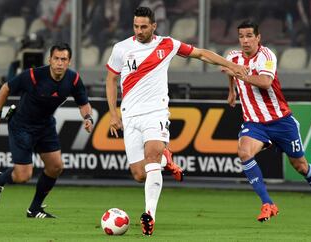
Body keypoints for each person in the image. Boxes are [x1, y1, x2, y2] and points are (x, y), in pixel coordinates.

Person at [105, 6, 248, 236]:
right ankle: (166, 159)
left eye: (144, 26)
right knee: (140, 174)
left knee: (152, 156)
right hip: (130, 115)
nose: (139, 30)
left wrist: (232, 66)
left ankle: (149, 215)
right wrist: (113, 114)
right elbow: (111, 79)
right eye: (136, 26)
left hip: (156, 113)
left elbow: (201, 53)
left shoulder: (167, 45)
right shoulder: (121, 49)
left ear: (154, 26)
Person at [223, 20, 311, 224]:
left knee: (300, 166)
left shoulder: (267, 56)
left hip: (281, 121)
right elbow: (230, 71)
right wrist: (231, 91)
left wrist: (239, 73)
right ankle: (268, 203)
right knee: (244, 152)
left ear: (258, 38)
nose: (245, 41)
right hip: (254, 123)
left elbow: (265, 82)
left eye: (249, 36)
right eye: (241, 36)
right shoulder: (233, 56)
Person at [0, 43, 94, 218]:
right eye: (56, 59)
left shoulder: (73, 79)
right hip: (22, 126)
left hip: (45, 126)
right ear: (49, 59)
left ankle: (34, 209)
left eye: (64, 59)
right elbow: (5, 88)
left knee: (56, 167)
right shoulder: (33, 76)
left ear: (69, 62)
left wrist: (88, 118)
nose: (60, 63)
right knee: (23, 176)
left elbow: (83, 104)